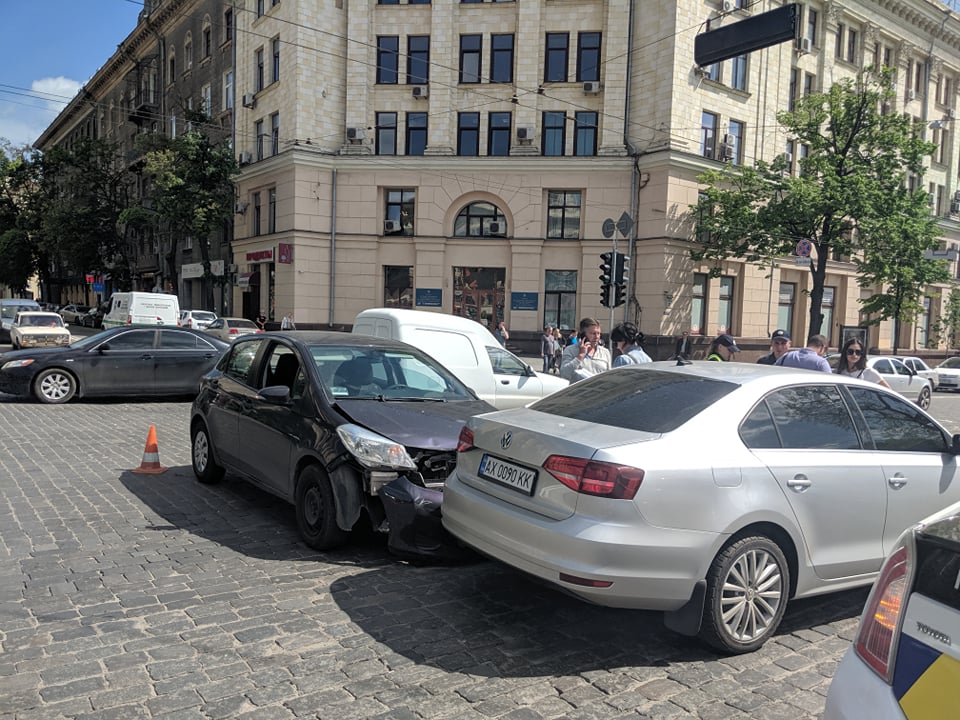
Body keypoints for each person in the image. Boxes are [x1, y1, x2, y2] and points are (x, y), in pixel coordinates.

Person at [560, 317, 612, 382]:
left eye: (598, 333)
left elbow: (609, 377)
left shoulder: (605, 353)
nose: (597, 337)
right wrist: (580, 356)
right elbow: (564, 374)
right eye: (593, 333)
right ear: (583, 335)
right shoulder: (570, 350)